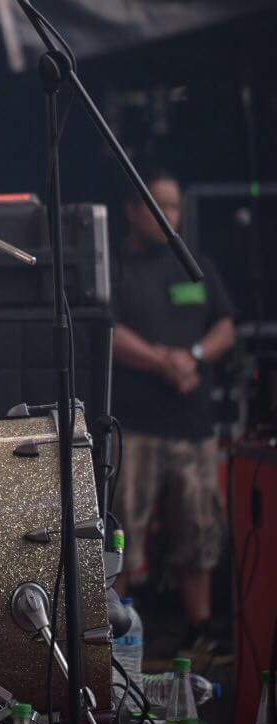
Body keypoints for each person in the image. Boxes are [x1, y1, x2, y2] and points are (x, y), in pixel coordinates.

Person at [110, 168, 236, 653]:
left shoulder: (195, 263)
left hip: (193, 428)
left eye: (174, 206)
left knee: (198, 533)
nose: (167, 215)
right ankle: (117, 640)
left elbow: (225, 326)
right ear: (132, 210)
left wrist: (196, 357)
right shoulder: (117, 265)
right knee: (123, 536)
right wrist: (165, 362)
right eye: (156, 205)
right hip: (135, 428)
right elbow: (110, 333)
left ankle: (200, 637)